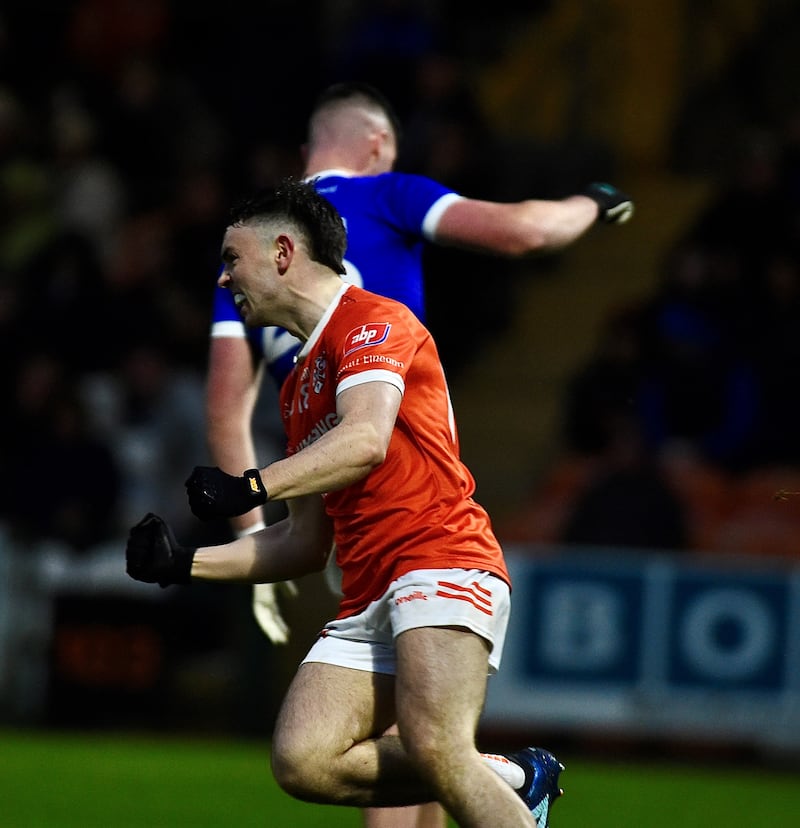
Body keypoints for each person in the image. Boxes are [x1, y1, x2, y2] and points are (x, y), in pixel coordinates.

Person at [205, 82, 632, 828]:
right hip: (400, 491)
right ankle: (504, 778)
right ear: (376, 144)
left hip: (343, 511)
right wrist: (595, 199)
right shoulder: (384, 194)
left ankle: (495, 777)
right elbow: (527, 233)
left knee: (419, 754)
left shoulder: (246, 260)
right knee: (422, 756)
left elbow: (224, 407)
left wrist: (244, 533)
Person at [127, 179, 565, 827]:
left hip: (439, 562)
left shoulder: (373, 319)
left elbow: (364, 439)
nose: (223, 279)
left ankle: (486, 776)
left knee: (435, 745)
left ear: (282, 253)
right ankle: (510, 775)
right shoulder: (299, 384)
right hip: (367, 595)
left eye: (231, 258)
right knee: (303, 761)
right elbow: (303, 543)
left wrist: (252, 485)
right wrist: (183, 563)